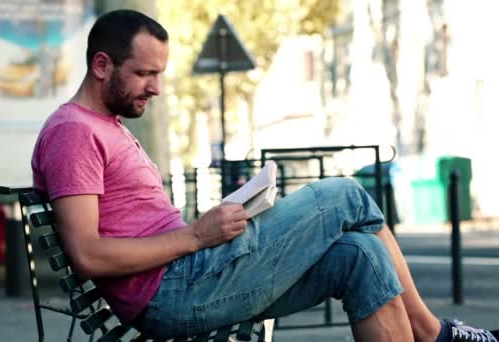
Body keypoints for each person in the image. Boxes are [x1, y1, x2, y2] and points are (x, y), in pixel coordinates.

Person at [31, 9, 498, 342]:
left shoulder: (104, 127)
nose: (155, 87)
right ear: (101, 65)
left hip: (190, 276)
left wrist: (213, 226)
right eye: (144, 73)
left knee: (360, 253)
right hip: (172, 292)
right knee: (347, 196)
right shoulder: (73, 132)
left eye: (160, 74)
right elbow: (89, 255)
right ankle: (434, 333)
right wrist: (197, 235)